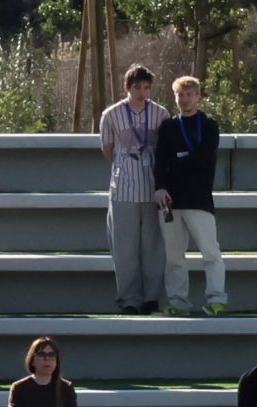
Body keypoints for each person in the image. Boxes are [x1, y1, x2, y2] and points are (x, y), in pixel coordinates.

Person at [152, 75, 225, 317]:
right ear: (175, 98)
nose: (185, 99)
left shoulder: (209, 125)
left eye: (189, 94)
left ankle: (216, 299)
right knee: (174, 256)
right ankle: (178, 301)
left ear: (198, 96)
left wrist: (179, 160)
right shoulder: (169, 127)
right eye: (180, 95)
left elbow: (204, 159)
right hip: (170, 201)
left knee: (210, 252)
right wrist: (160, 186)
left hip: (199, 199)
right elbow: (161, 161)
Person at [100, 66, 170, 315]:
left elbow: (165, 150)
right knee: (124, 249)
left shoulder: (161, 114)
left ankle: (152, 298)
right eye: (137, 87)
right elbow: (107, 149)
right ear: (128, 87)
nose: (142, 92)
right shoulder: (111, 114)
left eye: (146, 87)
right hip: (123, 190)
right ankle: (129, 299)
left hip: (153, 189)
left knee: (153, 247)